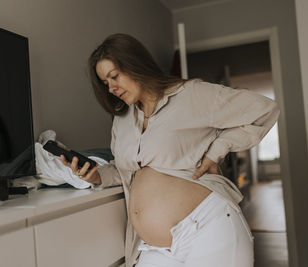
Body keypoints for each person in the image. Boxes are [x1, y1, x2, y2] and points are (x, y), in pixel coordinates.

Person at [61, 33, 280, 267]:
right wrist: (98, 176)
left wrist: (217, 149)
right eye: (106, 83)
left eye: (114, 76)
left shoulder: (191, 95)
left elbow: (264, 109)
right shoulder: (122, 120)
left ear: (136, 64)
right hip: (152, 247)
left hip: (207, 228)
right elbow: (128, 171)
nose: (112, 88)